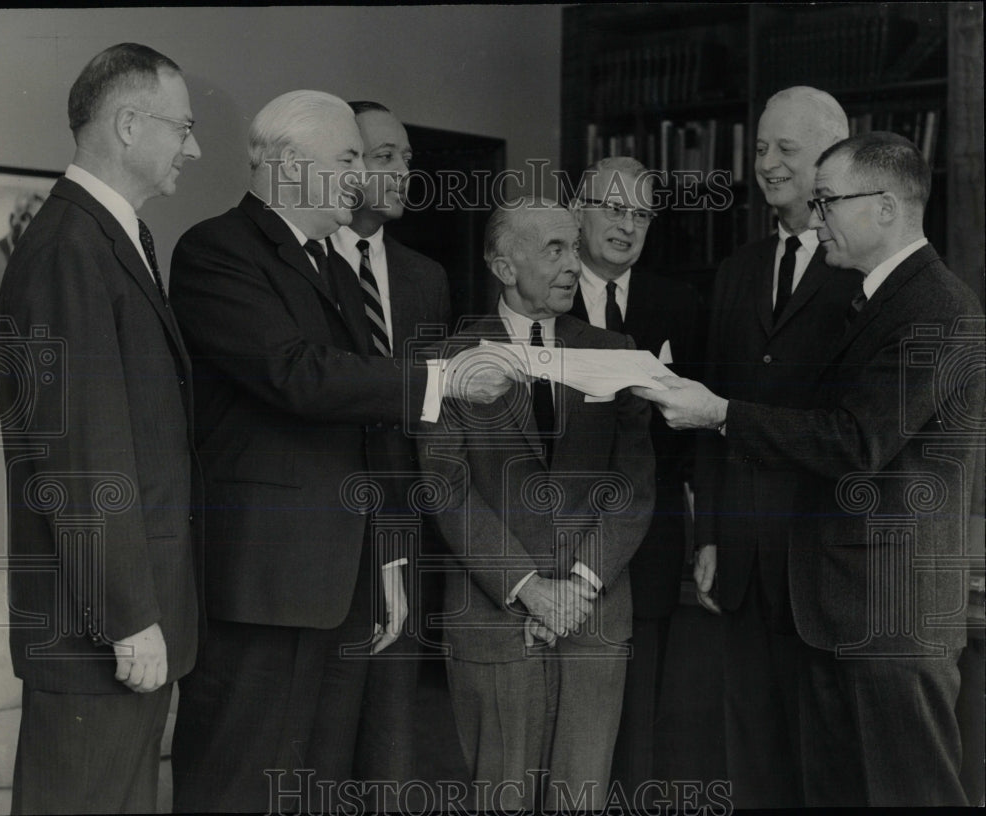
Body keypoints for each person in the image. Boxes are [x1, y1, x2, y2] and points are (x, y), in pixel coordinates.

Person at [167, 90, 510, 813]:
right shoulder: (216, 250)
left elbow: (370, 429)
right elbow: (297, 376)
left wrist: (388, 558)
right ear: (291, 167)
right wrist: (443, 378)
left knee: (320, 790)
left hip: (346, 585)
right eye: (349, 158)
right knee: (238, 783)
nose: (362, 176)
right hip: (262, 585)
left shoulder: (329, 264)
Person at [638, 131, 985, 807]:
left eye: (827, 202)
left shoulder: (935, 309)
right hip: (844, 606)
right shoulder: (877, 299)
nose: (813, 216)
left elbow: (855, 442)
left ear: (884, 208)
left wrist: (720, 413)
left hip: (889, 617)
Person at [0, 43, 202, 814]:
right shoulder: (70, 249)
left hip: (113, 634)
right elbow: (82, 458)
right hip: (99, 638)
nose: (194, 145)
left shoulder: (106, 240)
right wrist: (129, 619)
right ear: (127, 123)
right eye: (183, 127)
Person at [420, 198, 655, 812]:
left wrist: (577, 584)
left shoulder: (616, 350)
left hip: (594, 617)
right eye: (554, 249)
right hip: (494, 621)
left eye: (575, 248)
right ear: (503, 265)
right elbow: (445, 486)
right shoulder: (450, 356)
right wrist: (528, 586)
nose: (574, 264)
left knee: (581, 800)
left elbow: (634, 485)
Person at [691, 87, 858, 807]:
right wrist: (709, 533)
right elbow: (710, 409)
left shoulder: (862, 270)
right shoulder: (736, 270)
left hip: (824, 558)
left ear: (829, 158)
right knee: (749, 742)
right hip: (742, 555)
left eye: (784, 150)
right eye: (759, 148)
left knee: (824, 751)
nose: (764, 164)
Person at [328, 100, 451, 807]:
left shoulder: (423, 277)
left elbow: (432, 417)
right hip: (321, 538)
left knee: (391, 748)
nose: (404, 171)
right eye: (385, 157)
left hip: (401, 538)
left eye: (406, 157)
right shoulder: (305, 263)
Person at [567, 156, 700, 792]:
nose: (626, 225)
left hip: (648, 539)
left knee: (637, 716)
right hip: (552, 538)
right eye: (613, 208)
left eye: (640, 213)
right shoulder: (545, 290)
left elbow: (700, 433)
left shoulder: (681, 304)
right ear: (577, 210)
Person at [0, 192, 46, 296]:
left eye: (40, 222)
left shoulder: (41, 258)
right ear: (12, 219)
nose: (34, 229)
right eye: (26, 218)